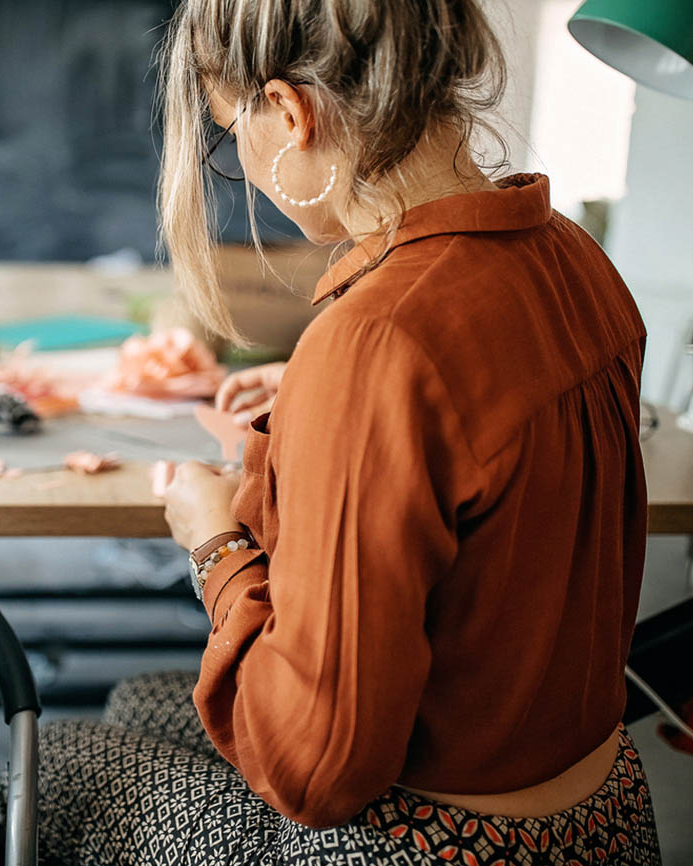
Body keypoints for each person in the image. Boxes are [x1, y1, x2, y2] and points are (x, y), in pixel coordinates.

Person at [32, 1, 663, 863]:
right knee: (143, 700)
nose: (245, 167)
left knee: (55, 759)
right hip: (602, 813)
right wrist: (314, 402)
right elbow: (480, 419)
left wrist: (212, 539)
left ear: (293, 114)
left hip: (444, 843)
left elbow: (315, 770)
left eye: (232, 133)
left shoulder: (376, 341)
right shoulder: (570, 255)